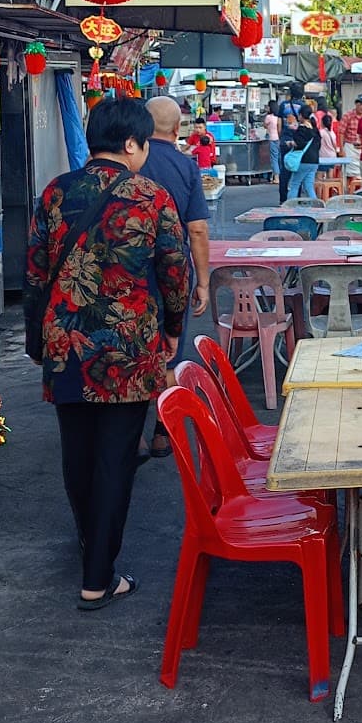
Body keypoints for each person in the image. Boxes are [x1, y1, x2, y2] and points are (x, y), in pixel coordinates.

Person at [25, 97, 188, 608]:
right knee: (116, 458)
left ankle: (89, 549)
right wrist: (173, 329)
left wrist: (37, 339)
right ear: (132, 143)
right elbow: (175, 273)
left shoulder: (55, 192)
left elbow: (34, 272)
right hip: (128, 348)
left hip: (65, 344)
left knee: (77, 455)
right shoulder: (151, 196)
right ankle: (97, 577)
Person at [141, 97, 213, 456]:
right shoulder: (185, 166)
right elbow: (197, 229)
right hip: (173, 272)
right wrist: (203, 282)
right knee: (169, 350)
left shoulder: (130, 161)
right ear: (176, 128)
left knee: (134, 349)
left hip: (128, 272)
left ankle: (131, 432)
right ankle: (162, 431)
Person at [285, 105, 322, 200]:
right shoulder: (315, 129)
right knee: (309, 186)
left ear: (301, 115)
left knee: (294, 184)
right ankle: (315, 205)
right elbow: (318, 145)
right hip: (314, 161)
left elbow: (298, 143)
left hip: (303, 160)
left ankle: (289, 206)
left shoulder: (302, 129)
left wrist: (290, 143)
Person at [276, 83, 305, 203]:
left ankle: (283, 199)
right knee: (297, 170)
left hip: (285, 141)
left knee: (284, 171)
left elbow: (279, 124)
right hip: (298, 142)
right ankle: (296, 199)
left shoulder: (283, 105)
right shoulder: (303, 106)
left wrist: (281, 137)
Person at [263, 105, 280, 179]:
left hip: (272, 138)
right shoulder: (278, 117)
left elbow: (264, 125)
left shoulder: (269, 117)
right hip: (279, 138)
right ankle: (279, 176)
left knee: (274, 158)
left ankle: (276, 177)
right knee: (279, 158)